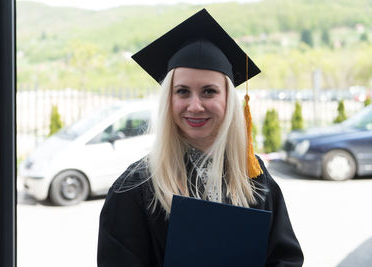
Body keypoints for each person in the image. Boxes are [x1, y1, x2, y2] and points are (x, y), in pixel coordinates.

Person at [97, 9, 303, 267]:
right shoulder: (135, 188)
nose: (195, 105)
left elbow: (285, 258)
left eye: (209, 91)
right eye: (182, 91)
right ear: (168, 100)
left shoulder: (253, 176)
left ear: (227, 100)